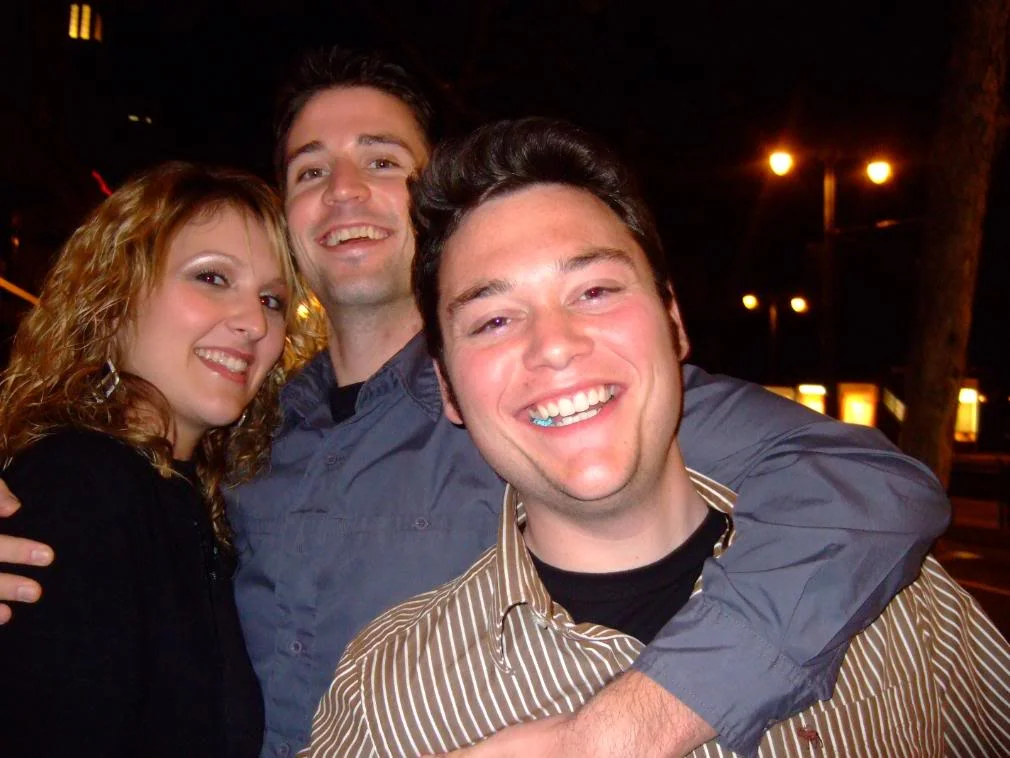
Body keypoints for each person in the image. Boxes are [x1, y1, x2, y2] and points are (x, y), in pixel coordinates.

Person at [0, 49, 951, 758]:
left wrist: (631, 724)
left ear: (433, 203)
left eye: (383, 159)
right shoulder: (245, 434)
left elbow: (873, 490)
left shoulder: (547, 399)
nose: (344, 189)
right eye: (310, 170)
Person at [301, 117, 1010, 758]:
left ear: (673, 323)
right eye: (493, 320)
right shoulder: (386, 699)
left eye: (595, 291)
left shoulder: (895, 593)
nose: (555, 345)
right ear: (450, 390)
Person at [0, 162, 312, 757]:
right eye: (212, 277)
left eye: (271, 300)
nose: (254, 323)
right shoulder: (80, 486)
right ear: (115, 298)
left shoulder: (206, 504)